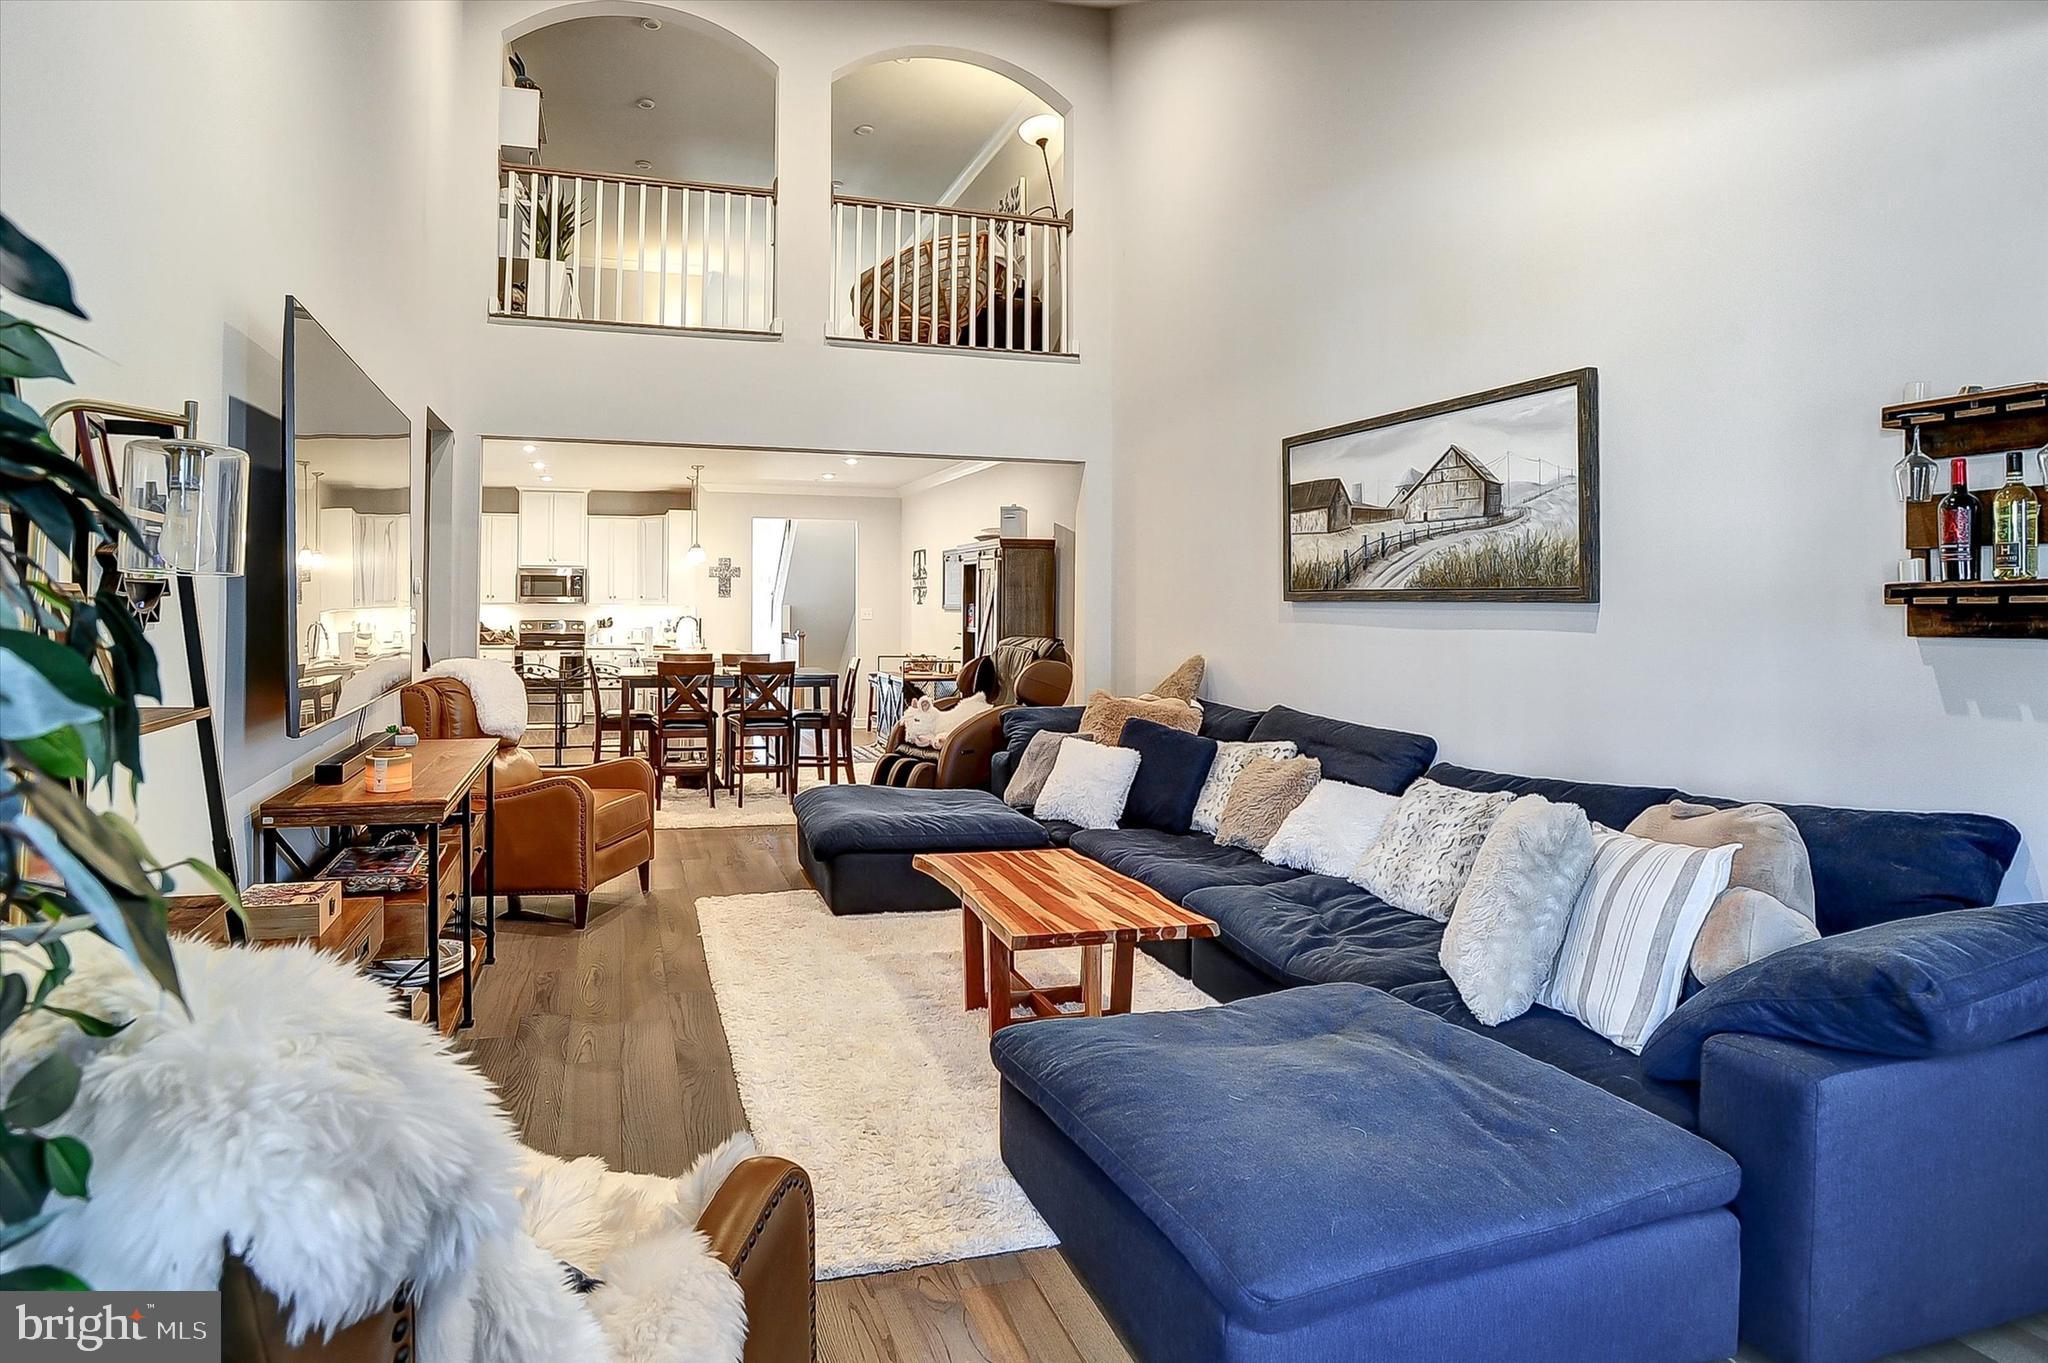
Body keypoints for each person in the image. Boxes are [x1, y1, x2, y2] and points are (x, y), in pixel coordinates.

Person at [873, 659, 1000, 785]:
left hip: (957, 736)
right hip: (941, 729)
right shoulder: (961, 706)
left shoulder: (986, 714)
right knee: (889, 760)